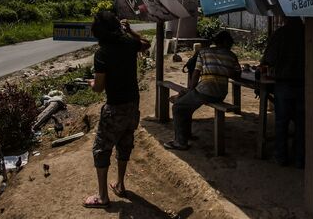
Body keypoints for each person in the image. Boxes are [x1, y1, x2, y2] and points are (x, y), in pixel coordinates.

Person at [83, 11, 150, 209]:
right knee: (125, 144)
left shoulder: (102, 53)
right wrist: (131, 31)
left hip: (115, 107)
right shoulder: (129, 43)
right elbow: (145, 43)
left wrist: (91, 83)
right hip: (133, 105)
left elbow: (99, 88)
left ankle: (103, 196)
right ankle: (120, 184)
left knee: (101, 149)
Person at [164, 30, 241, 150]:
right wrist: (224, 70)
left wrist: (191, 89)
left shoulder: (204, 52)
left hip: (205, 90)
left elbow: (196, 74)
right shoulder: (232, 56)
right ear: (228, 43)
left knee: (178, 108)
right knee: (186, 105)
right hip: (220, 93)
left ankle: (180, 142)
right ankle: (186, 133)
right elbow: (237, 75)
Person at [261, 17, 305, 167]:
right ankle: (300, 159)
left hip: (284, 84)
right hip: (305, 85)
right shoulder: (308, 33)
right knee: (302, 123)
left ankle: (281, 157)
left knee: (282, 122)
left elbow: (269, 58)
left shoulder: (281, 34)